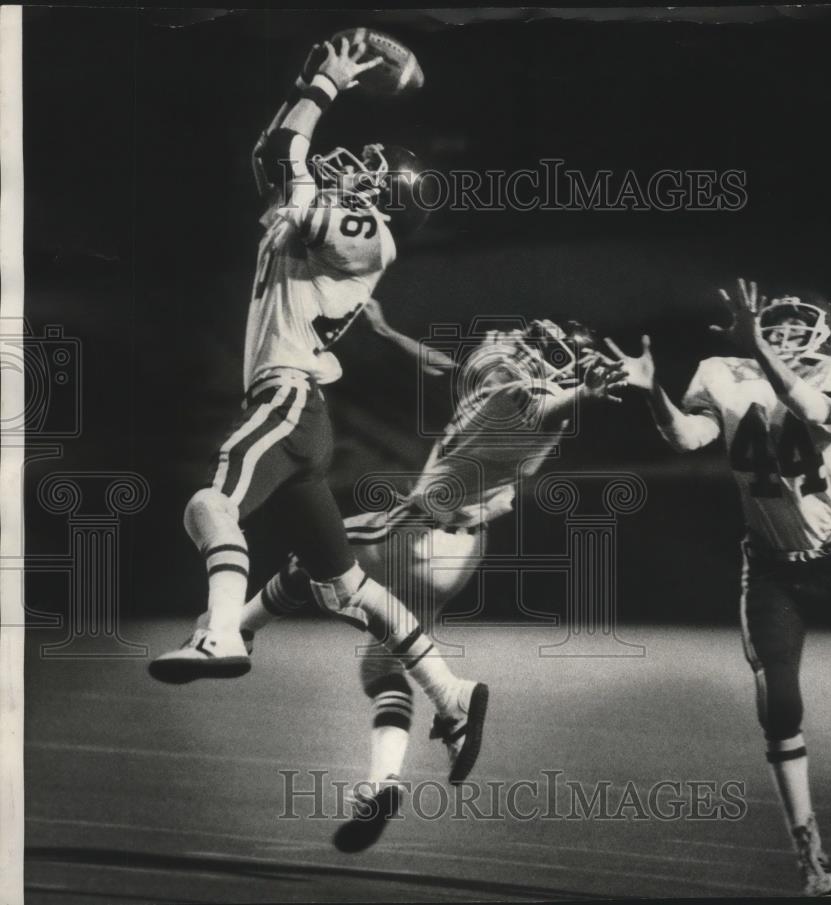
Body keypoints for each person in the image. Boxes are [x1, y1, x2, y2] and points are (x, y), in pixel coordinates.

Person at [149, 39, 488, 785]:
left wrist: (327, 86)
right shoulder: (317, 219)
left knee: (211, 501)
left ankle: (220, 636)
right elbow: (275, 155)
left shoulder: (367, 234)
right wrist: (310, 85)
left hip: (288, 395)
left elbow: (284, 155)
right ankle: (453, 695)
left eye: (369, 172)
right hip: (308, 411)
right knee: (344, 587)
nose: (352, 168)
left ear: (386, 200)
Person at [607, 279, 831, 896]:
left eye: (786, 327)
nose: (775, 333)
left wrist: (763, 353)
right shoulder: (721, 371)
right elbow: (685, 439)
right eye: (767, 326)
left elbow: (814, 412)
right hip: (772, 568)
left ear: (821, 334)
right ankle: (805, 843)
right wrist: (654, 395)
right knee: (779, 706)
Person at [239, 317, 627, 851]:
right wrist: (385, 332)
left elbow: (541, 406)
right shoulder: (502, 382)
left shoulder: (526, 392)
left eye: (526, 340)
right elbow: (449, 366)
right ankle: (382, 783)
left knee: (316, 551)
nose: (507, 339)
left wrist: (583, 392)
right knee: (382, 665)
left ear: (547, 356)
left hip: (423, 531)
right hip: (462, 546)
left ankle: (239, 629)